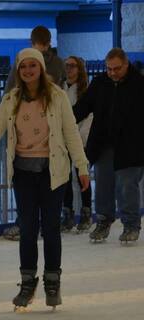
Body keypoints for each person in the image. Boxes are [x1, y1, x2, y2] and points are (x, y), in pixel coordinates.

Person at [0, 48, 89, 310]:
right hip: (23, 173)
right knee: (27, 229)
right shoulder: (11, 99)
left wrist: (82, 166)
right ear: (18, 70)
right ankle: (27, 282)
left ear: (40, 68)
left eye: (32, 66)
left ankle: (52, 281)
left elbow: (71, 134)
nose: (27, 71)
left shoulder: (57, 97)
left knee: (50, 227)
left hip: (52, 171)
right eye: (23, 67)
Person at [73, 48, 144, 243]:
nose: (112, 72)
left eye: (117, 69)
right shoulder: (100, 84)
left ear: (126, 65)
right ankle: (103, 221)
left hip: (131, 146)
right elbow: (83, 106)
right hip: (103, 144)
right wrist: (66, 120)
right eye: (109, 69)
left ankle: (131, 224)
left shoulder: (139, 85)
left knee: (127, 186)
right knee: (103, 185)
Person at [3, 25, 66, 241]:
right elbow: (9, 94)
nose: (29, 70)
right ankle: (24, 224)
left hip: (50, 146)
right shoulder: (22, 67)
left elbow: (62, 95)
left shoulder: (56, 69)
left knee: (49, 220)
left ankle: (35, 224)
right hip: (25, 150)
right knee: (29, 208)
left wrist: (82, 163)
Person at [61, 56, 93, 232]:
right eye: (67, 66)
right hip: (63, 140)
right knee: (64, 177)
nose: (69, 69)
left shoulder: (86, 91)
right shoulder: (60, 88)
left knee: (82, 176)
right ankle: (68, 213)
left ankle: (86, 212)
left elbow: (89, 117)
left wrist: (80, 139)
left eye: (72, 66)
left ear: (80, 69)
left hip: (80, 140)